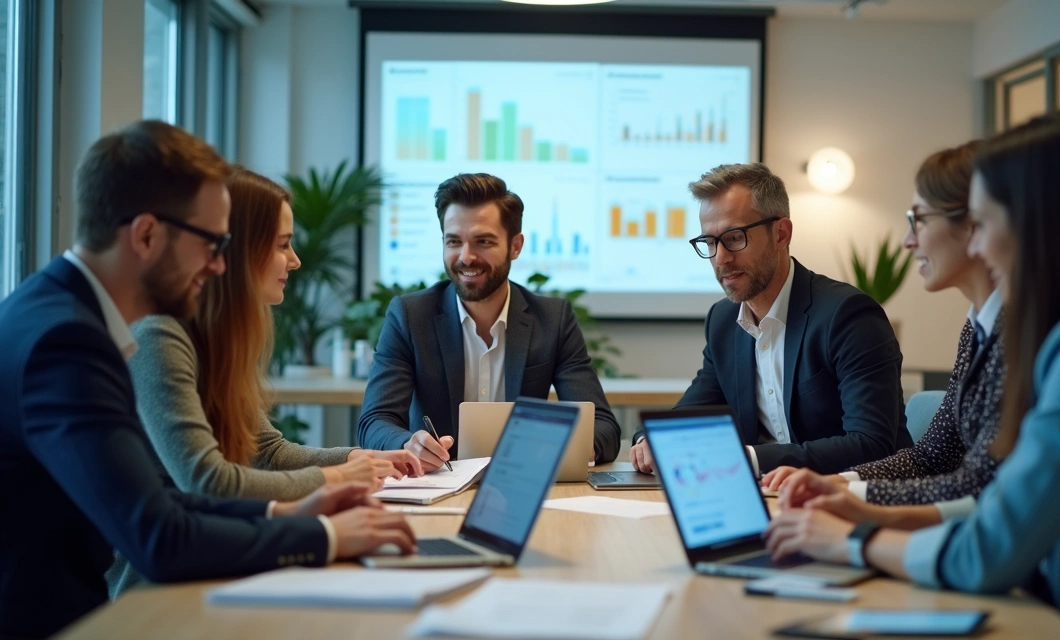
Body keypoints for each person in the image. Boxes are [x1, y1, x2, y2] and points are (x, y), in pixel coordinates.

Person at [764, 113, 1060, 639]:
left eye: (983, 223)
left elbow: (991, 546)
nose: (976, 247)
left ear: (1036, 221)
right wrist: (866, 509)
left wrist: (847, 539)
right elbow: (996, 507)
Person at [0, 120, 416, 640]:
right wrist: (323, 535)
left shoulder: (62, 313)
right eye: (211, 244)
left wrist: (285, 510)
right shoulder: (67, 342)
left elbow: (160, 497)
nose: (220, 266)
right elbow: (160, 537)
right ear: (147, 235)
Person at [106, 168, 425, 596]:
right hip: (156, 589)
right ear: (239, 252)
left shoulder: (221, 339)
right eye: (282, 245)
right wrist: (338, 477)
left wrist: (355, 456)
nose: (294, 260)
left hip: (219, 560)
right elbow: (207, 481)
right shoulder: (161, 335)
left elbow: (268, 453)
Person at [762, 142, 1006, 530]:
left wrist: (857, 511)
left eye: (919, 220)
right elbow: (932, 456)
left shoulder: (1029, 334)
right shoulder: (977, 326)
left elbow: (981, 486)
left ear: (975, 224)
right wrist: (841, 484)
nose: (909, 240)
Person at [630, 163, 910, 477]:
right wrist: (650, 440)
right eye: (709, 243)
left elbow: (872, 444)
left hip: (858, 502)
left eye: (734, 237)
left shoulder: (847, 316)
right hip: (772, 501)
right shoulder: (723, 320)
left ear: (781, 233)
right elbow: (694, 409)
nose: (721, 258)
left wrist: (747, 460)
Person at [358, 173, 621, 467]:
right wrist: (407, 444)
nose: (466, 257)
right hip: (437, 486)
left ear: (515, 246)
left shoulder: (552, 319)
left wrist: (565, 449)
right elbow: (374, 422)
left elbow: (604, 427)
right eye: (454, 241)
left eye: (483, 241)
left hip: (524, 483)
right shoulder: (409, 316)